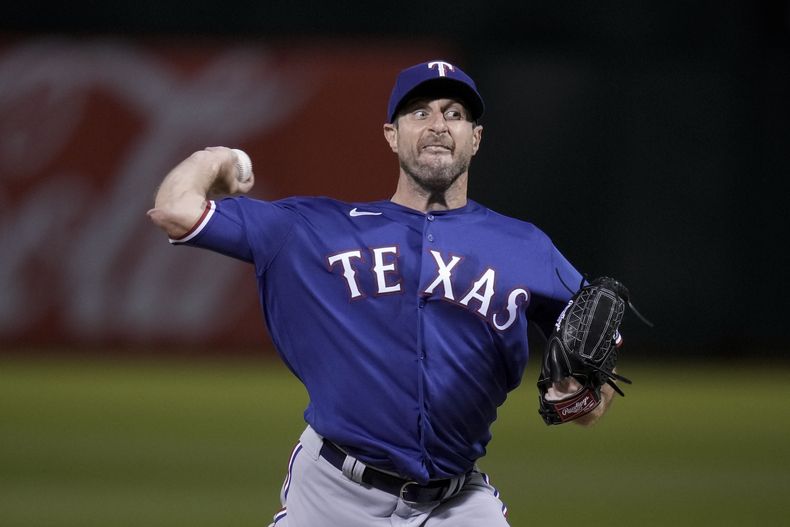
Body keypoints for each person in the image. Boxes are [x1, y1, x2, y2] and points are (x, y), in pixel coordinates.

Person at [148, 60, 617, 527]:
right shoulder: (313, 229)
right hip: (333, 494)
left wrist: (577, 396)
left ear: (476, 138)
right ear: (391, 135)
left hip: (455, 502)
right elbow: (174, 209)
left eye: (454, 114)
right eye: (420, 113)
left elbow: (590, 391)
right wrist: (218, 159)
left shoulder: (527, 247)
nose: (438, 125)